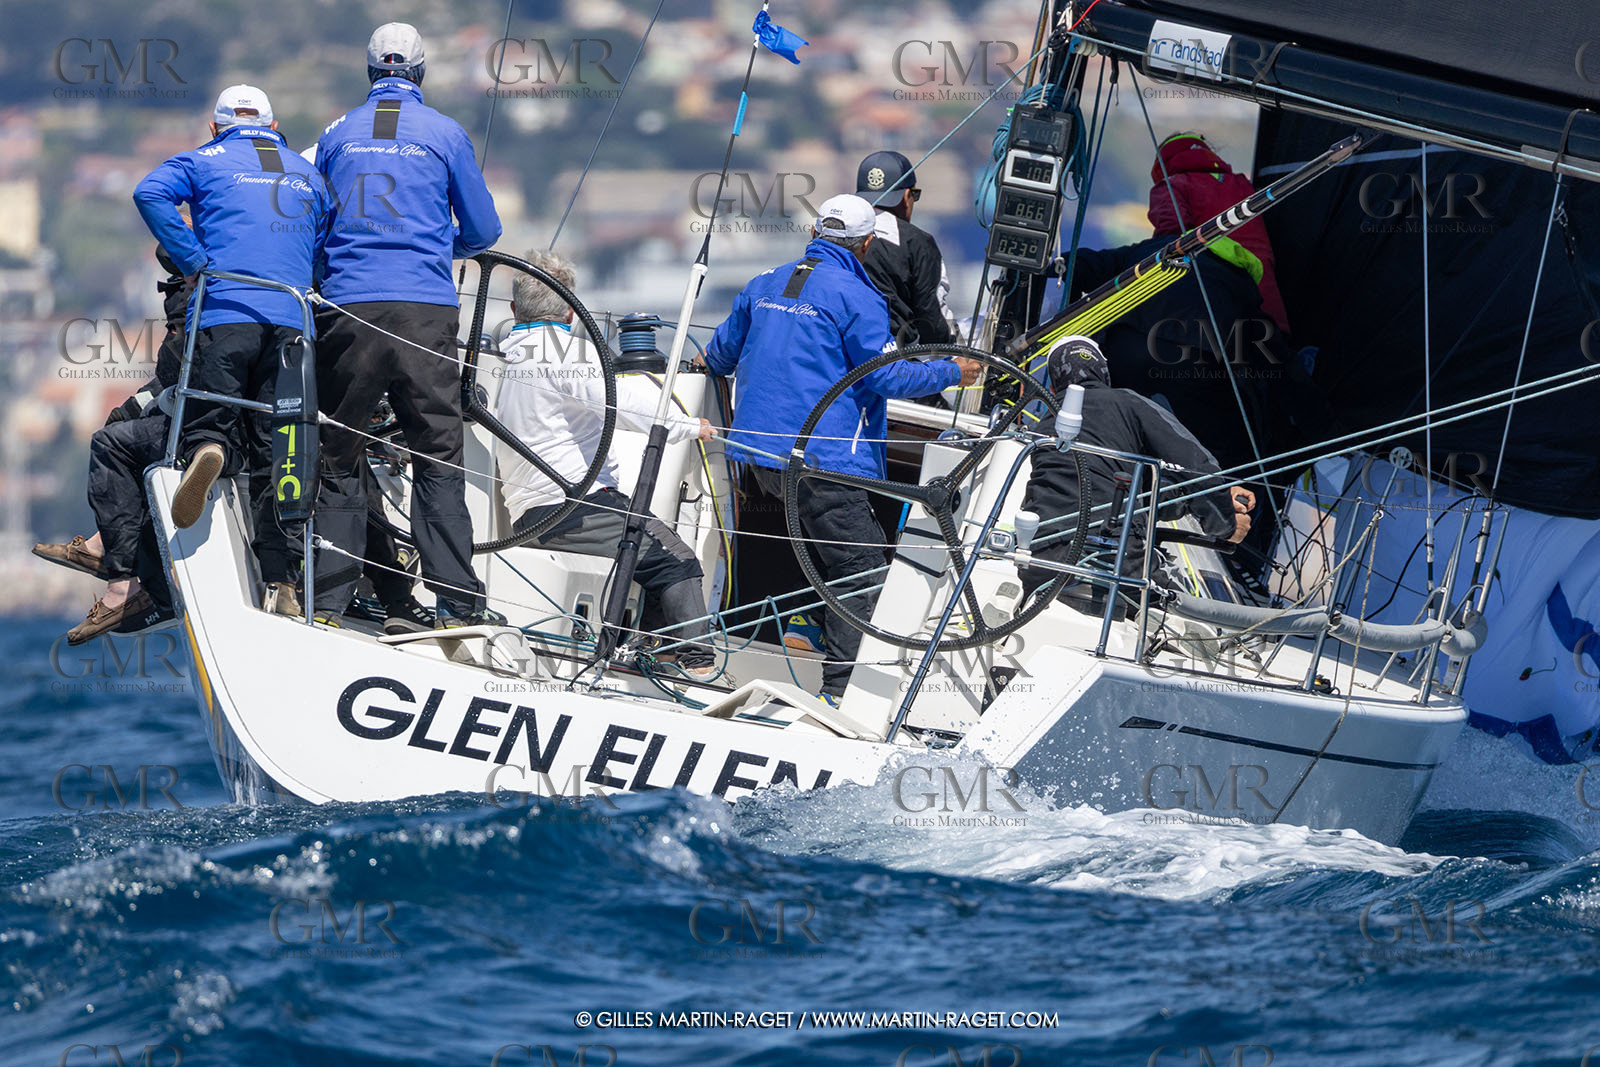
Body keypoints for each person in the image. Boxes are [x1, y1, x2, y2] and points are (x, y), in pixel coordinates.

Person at [704, 194, 981, 702]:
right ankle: (840, 691)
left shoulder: (763, 282)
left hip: (758, 459)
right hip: (823, 461)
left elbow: (718, 356)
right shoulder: (858, 296)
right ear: (866, 243)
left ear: (815, 234)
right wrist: (952, 372)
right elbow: (889, 377)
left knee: (818, 544)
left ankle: (804, 625)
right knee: (863, 569)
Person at [310, 22, 504, 629]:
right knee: (437, 453)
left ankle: (329, 603)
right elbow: (484, 231)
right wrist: (437, 245)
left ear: (371, 73)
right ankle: (455, 607)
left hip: (348, 309)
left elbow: (313, 224)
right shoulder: (446, 132)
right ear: (420, 73)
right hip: (424, 311)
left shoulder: (335, 134)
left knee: (339, 453)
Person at [132, 84, 331, 613]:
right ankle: (282, 583)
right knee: (277, 449)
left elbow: (149, 193)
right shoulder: (307, 173)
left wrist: (194, 261)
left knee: (213, 417)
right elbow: (322, 243)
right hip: (292, 322)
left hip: (226, 312)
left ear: (216, 127)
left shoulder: (202, 160)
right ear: (273, 126)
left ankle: (208, 447)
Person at [492, 251, 718, 677]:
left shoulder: (511, 355)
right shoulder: (564, 351)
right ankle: (696, 666)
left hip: (530, 514)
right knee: (677, 559)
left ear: (513, 309)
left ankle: (647, 651)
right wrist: (690, 426)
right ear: (570, 311)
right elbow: (620, 404)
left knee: (651, 544)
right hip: (576, 508)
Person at [1020, 336, 1253, 612]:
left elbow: (1100, 483)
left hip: (1040, 562)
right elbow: (1198, 469)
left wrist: (1216, 498)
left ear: (1052, 386)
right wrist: (1225, 525)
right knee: (1189, 615)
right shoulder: (1128, 403)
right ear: (1105, 375)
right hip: (1118, 566)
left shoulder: (1041, 426)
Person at [854, 150, 958, 347]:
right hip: (896, 356)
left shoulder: (838, 234)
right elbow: (930, 314)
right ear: (906, 195)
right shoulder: (917, 242)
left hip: (843, 350)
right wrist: (951, 349)